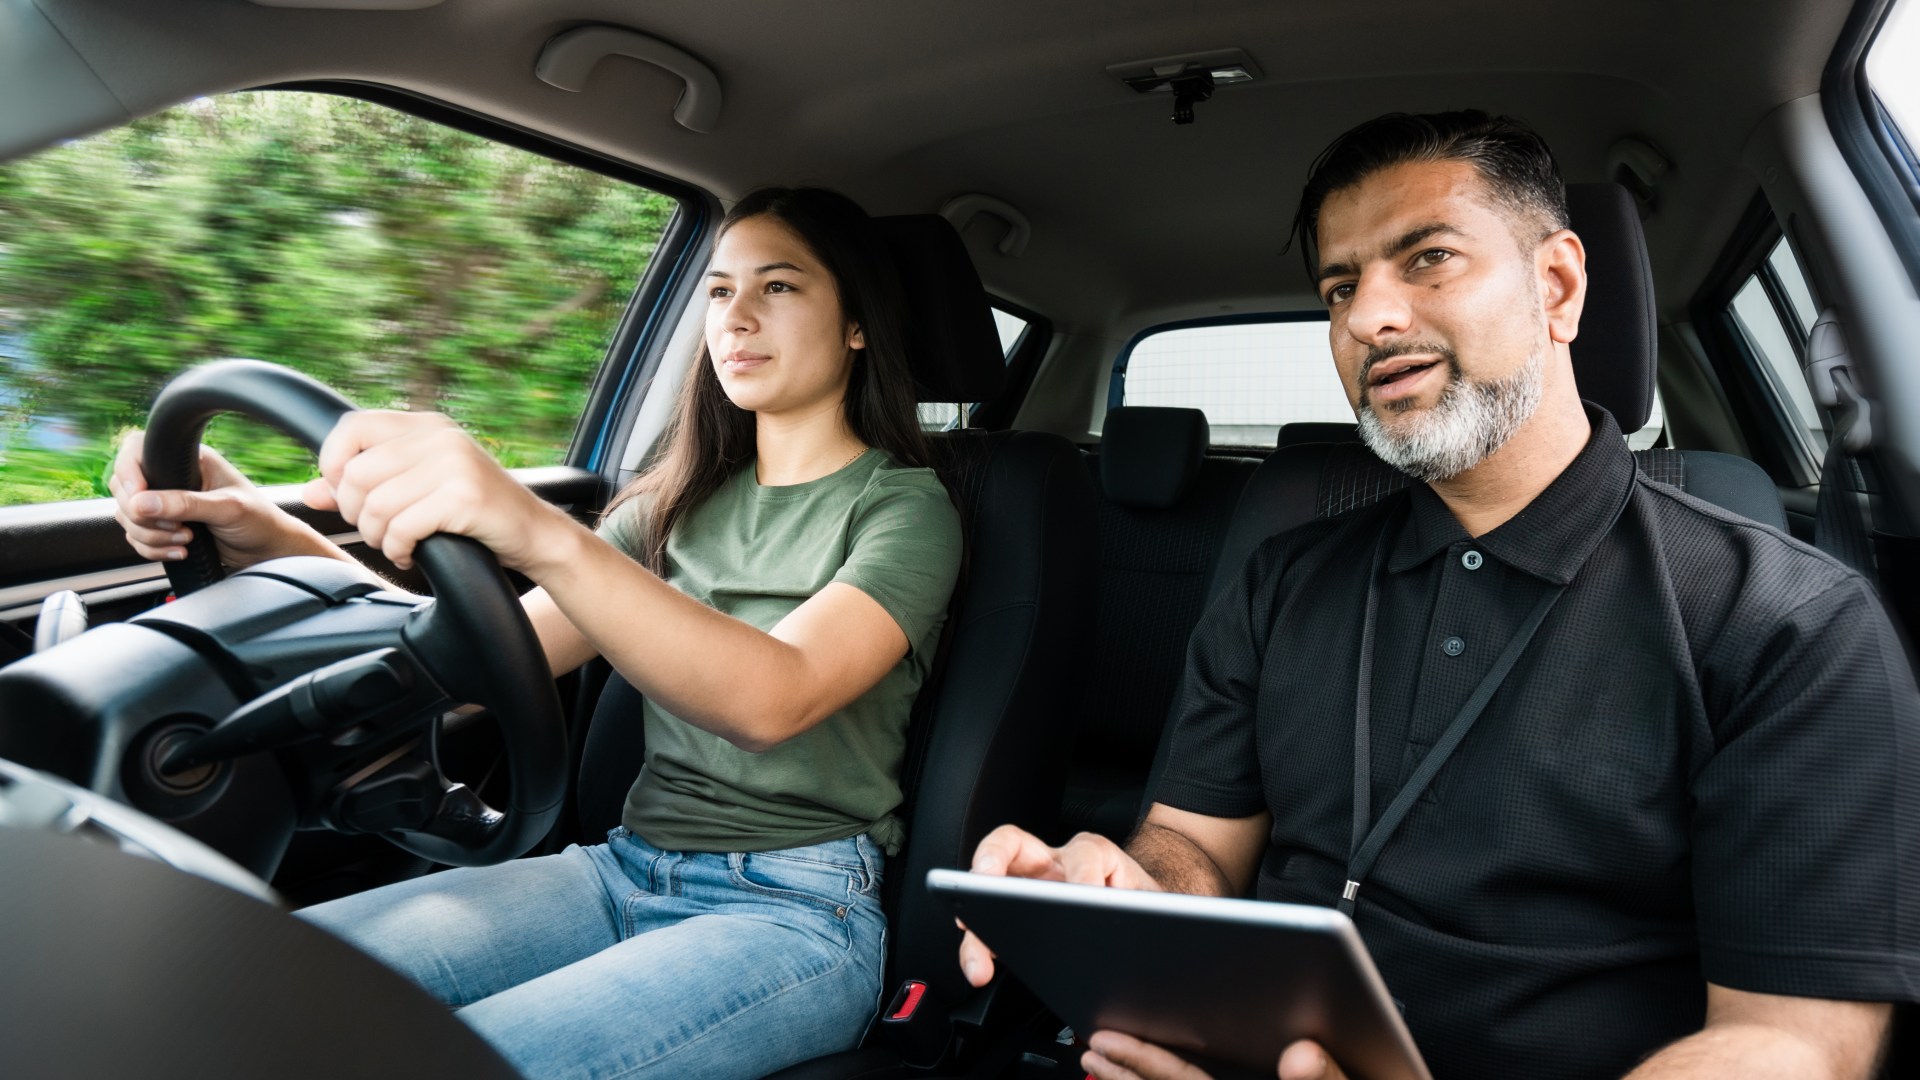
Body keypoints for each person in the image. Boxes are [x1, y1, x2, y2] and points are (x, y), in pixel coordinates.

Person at [959, 112, 1920, 1080]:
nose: (1367, 318)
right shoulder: (1281, 581)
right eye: (1340, 287)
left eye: (1427, 259)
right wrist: (1124, 887)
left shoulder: (1789, 624)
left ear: (1559, 285)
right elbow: (1192, 848)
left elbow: (1798, 1041)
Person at [109, 187, 964, 1080]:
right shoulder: (674, 508)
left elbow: (774, 698)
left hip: (795, 908)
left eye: (778, 287)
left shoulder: (905, 509)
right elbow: (481, 656)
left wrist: (538, 529)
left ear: (858, 323)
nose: (736, 318)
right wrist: (270, 538)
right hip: (617, 871)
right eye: (717, 291)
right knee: (237, 981)